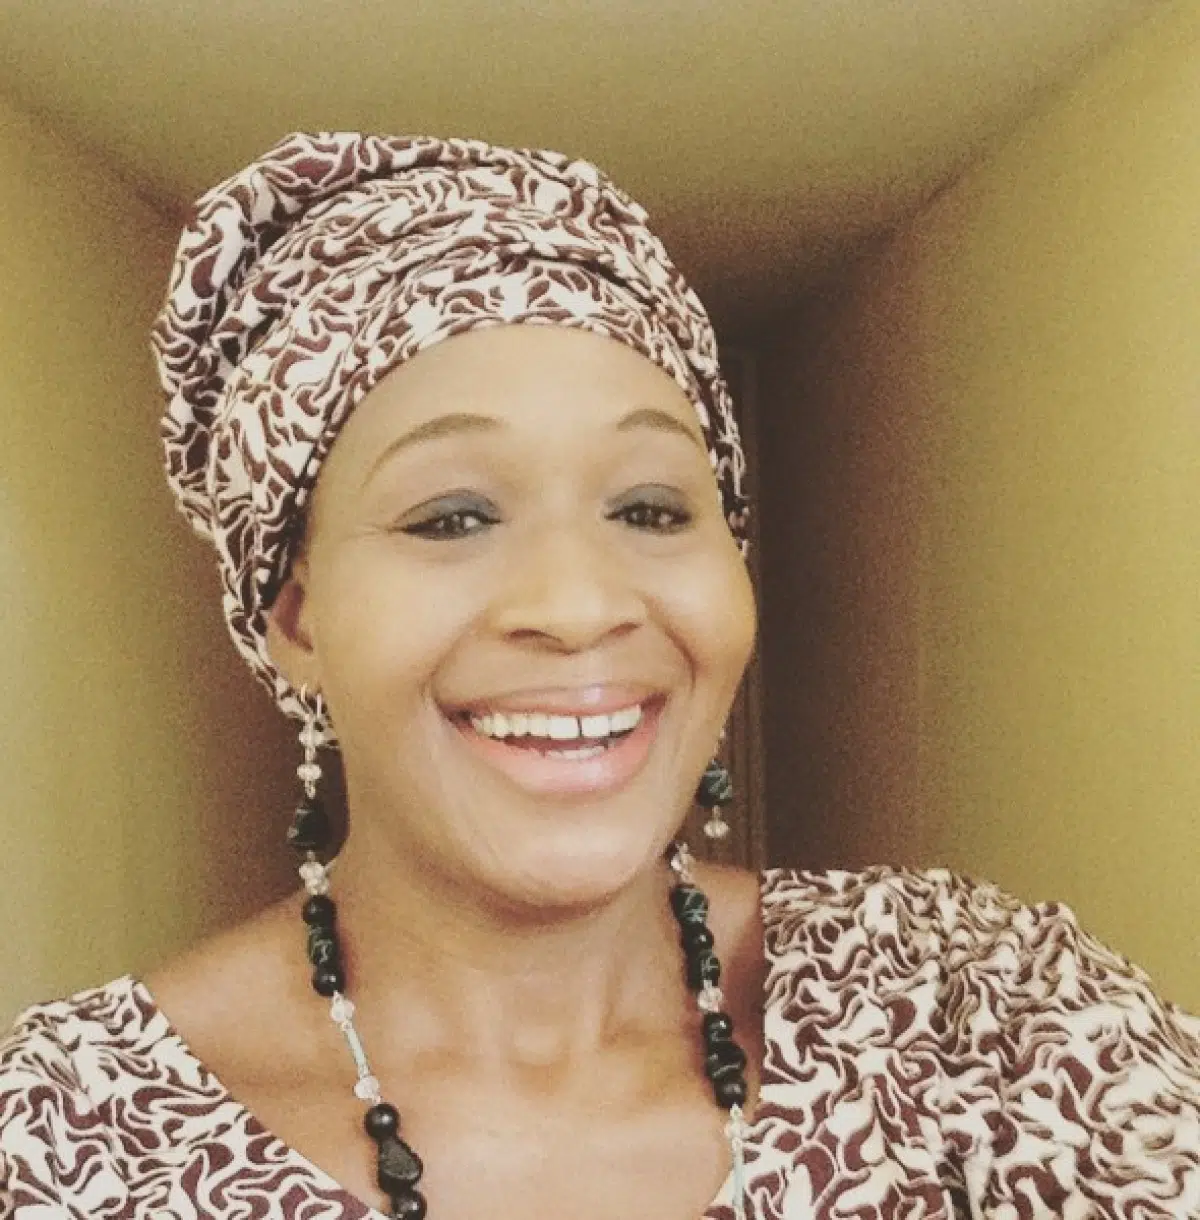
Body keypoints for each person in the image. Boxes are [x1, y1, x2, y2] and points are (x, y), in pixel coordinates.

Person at [1, 131, 1198, 1220]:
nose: (578, 607)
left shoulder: (978, 1012)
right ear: (296, 620)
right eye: (451, 516)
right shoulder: (62, 1140)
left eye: (651, 507)